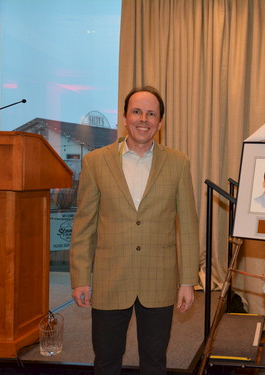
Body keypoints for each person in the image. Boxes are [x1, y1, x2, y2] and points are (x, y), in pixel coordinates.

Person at [70, 86, 200, 375]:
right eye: (137, 111)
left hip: (159, 280)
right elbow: (84, 225)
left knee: (155, 363)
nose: (144, 119)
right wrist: (80, 277)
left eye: (151, 113)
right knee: (106, 362)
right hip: (110, 279)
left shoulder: (178, 163)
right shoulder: (95, 162)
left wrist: (188, 281)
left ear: (160, 122)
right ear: (125, 118)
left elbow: (189, 226)